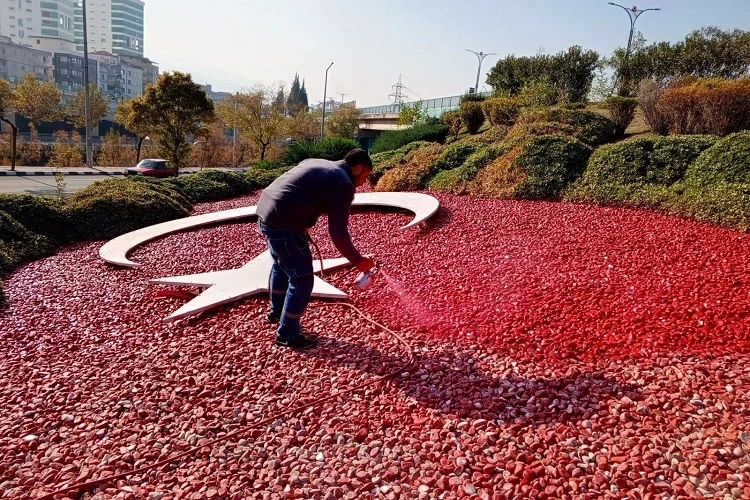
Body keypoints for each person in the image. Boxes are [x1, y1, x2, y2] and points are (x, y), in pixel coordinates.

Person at [256, 148, 376, 349]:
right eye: (365, 176)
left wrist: (302, 220)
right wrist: (358, 260)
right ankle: (287, 334)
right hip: (283, 222)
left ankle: (277, 313)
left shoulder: (319, 163)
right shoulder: (344, 184)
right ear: (357, 168)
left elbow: (299, 191)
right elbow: (338, 231)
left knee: (281, 265)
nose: (364, 182)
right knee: (302, 279)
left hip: (265, 212)